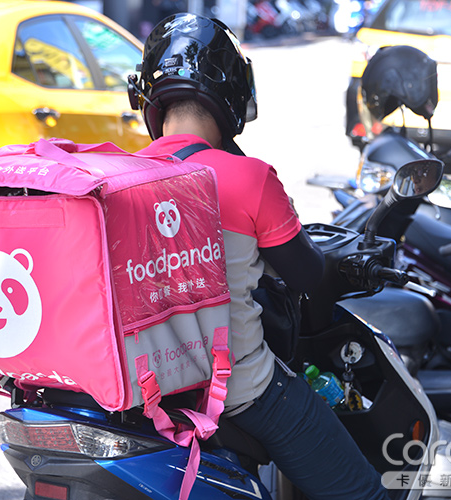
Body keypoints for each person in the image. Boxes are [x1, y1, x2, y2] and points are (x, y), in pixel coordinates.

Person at [128, 12, 390, 500]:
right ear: (233, 96)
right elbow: (308, 275)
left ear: (146, 97)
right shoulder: (249, 177)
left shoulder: (120, 179)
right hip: (240, 392)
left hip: (146, 390)